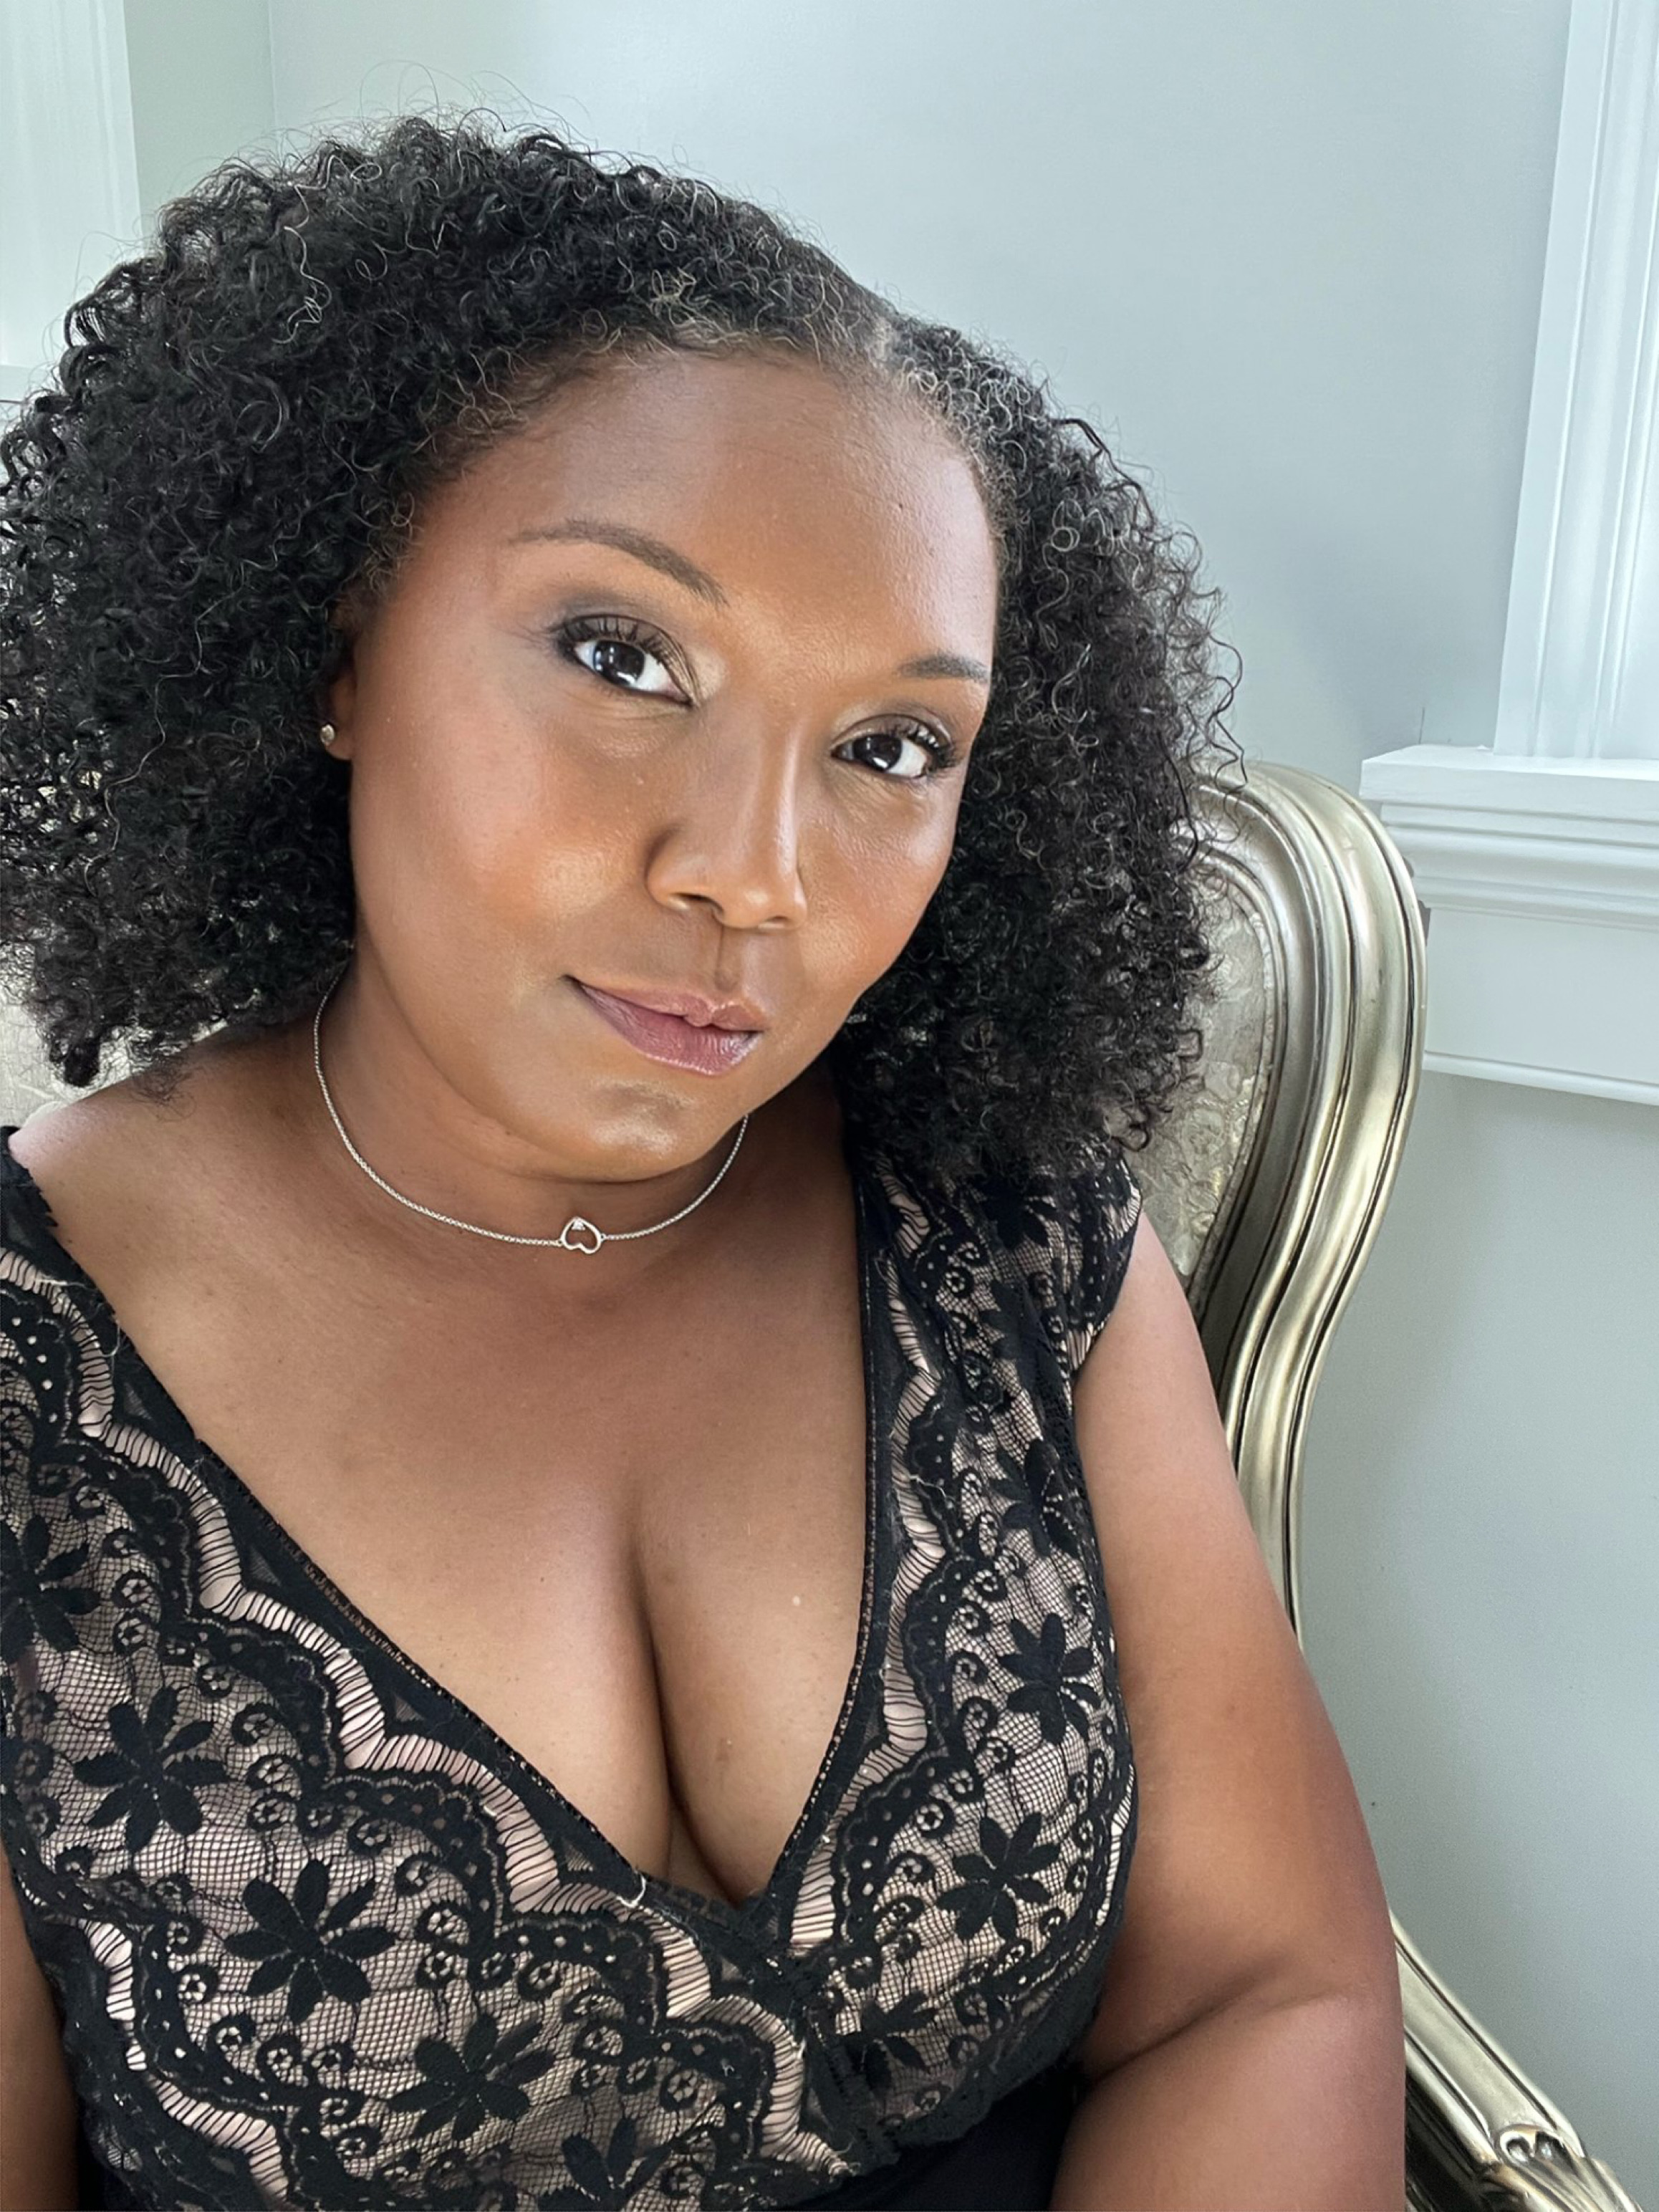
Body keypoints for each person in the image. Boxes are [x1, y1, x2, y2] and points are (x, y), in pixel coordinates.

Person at [0, 114, 1405, 2211]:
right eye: (621, 656)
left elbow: (1260, 1993)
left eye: (891, 748)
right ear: (336, 645)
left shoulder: (1006, 1236)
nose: (754, 875)